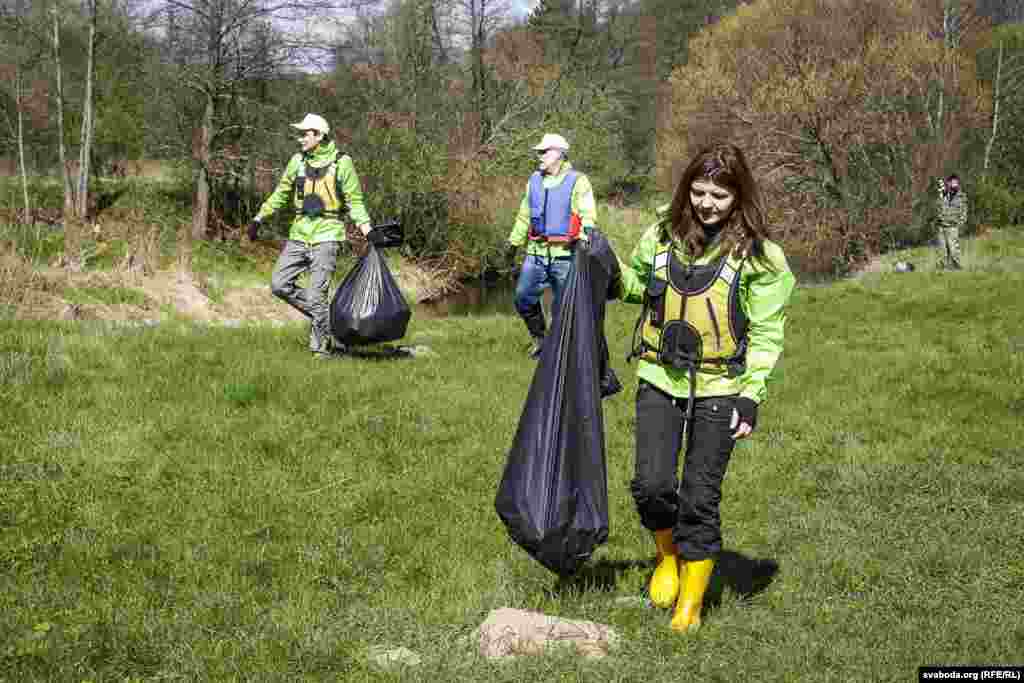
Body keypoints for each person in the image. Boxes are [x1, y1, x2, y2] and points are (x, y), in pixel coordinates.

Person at [617, 143, 795, 633]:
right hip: (659, 377)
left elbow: (767, 333)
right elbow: (637, 287)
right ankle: (667, 557)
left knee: (699, 496)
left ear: (739, 196)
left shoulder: (759, 256)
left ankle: (690, 608)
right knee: (651, 486)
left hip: (721, 386)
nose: (706, 203)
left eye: (719, 194)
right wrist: (602, 268)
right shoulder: (661, 234)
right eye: (698, 191)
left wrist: (751, 396)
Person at [248, 114, 375, 358]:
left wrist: (367, 230)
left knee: (317, 295)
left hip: (328, 235)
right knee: (279, 284)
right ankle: (329, 319)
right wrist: (258, 218)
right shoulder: (297, 161)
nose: (301, 139)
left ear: (319, 135)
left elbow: (355, 201)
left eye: (305, 134)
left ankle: (320, 350)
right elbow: (281, 193)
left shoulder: (342, 162)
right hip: (299, 233)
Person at [506, 133, 597, 359]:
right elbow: (524, 215)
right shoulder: (534, 181)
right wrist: (513, 243)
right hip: (535, 253)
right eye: (539, 152)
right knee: (523, 297)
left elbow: (588, 215)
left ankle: (561, 350)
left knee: (564, 306)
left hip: (565, 255)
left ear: (558, 153)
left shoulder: (578, 181)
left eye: (544, 151)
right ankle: (540, 339)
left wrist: (585, 239)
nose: (539, 156)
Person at [936, 174, 967, 270]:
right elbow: (938, 207)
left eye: (956, 182)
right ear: (948, 183)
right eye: (952, 182)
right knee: (942, 249)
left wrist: (960, 223)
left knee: (953, 248)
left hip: (952, 226)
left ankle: (956, 266)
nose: (954, 184)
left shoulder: (961, 196)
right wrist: (941, 196)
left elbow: (964, 211)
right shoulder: (944, 195)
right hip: (942, 226)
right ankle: (944, 267)